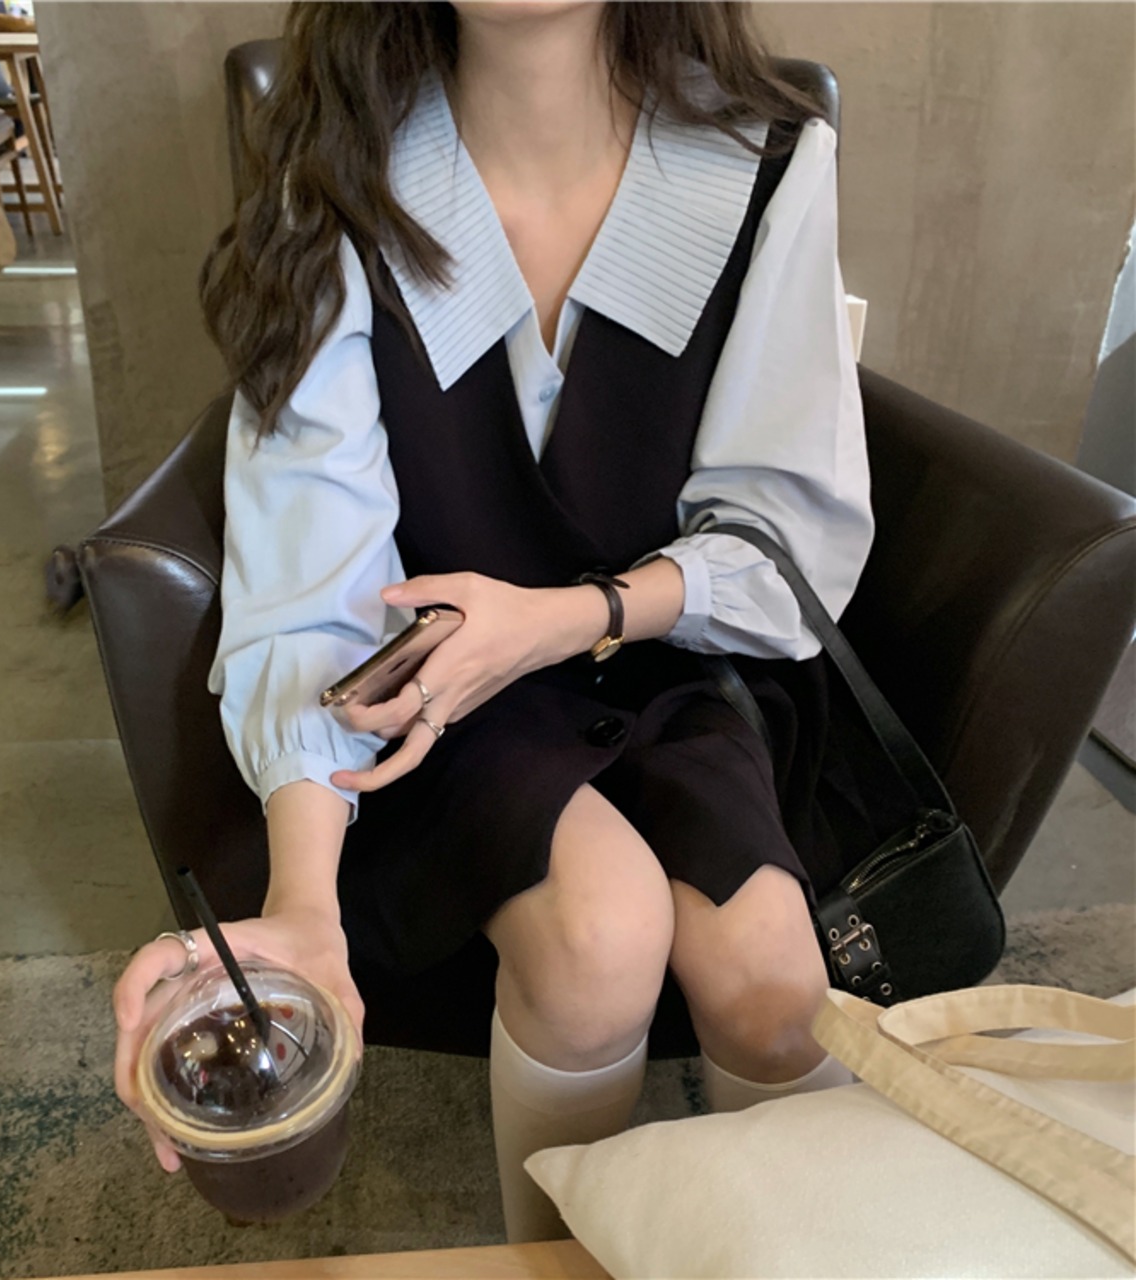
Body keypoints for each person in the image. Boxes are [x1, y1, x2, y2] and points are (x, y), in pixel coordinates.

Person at [113, 0, 877, 1243]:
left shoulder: (764, 164)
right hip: (434, 682)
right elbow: (312, 573)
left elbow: (783, 533)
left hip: (671, 649)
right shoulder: (338, 174)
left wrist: (572, 616)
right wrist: (304, 900)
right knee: (597, 937)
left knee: (774, 985)